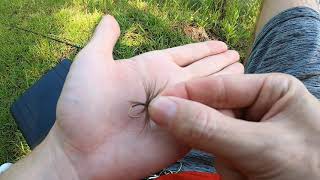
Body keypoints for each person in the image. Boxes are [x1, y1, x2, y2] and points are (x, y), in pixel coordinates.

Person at [1, 0, 320, 179]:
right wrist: (63, 159)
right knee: (300, 29)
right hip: (163, 148)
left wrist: (62, 162)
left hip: (170, 151)